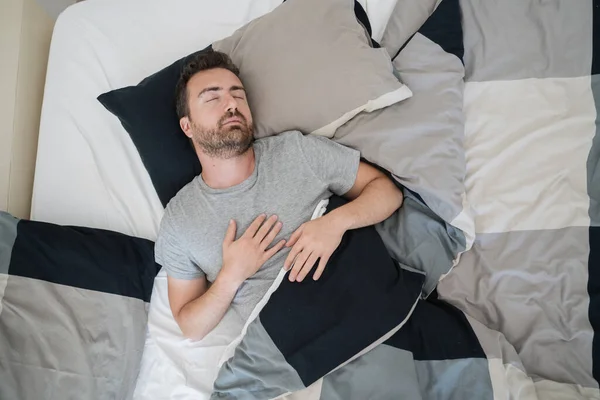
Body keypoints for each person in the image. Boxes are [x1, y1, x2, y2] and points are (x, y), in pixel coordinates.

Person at [154, 50, 404, 341]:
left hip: (368, 306)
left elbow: (387, 192)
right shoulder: (180, 218)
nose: (232, 104)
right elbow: (190, 326)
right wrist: (231, 276)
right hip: (294, 349)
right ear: (188, 126)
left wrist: (335, 223)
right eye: (213, 98)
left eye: (239, 95)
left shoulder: (296, 152)